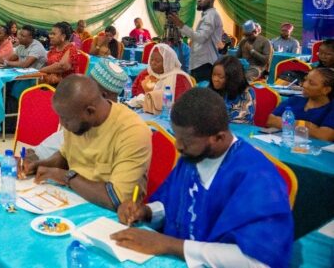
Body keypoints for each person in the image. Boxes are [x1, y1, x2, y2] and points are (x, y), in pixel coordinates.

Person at [112, 88, 293, 268]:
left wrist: (170, 245)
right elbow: (174, 206)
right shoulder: (193, 157)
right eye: (177, 137)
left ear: (219, 138)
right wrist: (146, 212)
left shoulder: (257, 177)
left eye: (187, 141)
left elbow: (259, 260)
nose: (178, 146)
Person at [23, 76, 151, 210]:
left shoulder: (132, 132)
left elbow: (116, 199)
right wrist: (37, 166)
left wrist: (66, 177)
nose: (61, 123)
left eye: (66, 119)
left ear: (90, 111)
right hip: (74, 198)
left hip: (108, 214)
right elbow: (66, 156)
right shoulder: (77, 118)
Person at [168, 0, 223, 83]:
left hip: (204, 63)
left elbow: (201, 37)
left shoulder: (211, 15)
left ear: (210, 0)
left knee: (201, 93)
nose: (199, 0)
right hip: (200, 62)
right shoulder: (207, 15)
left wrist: (181, 25)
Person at [267, 67, 334, 141]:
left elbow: (324, 136)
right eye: (305, 80)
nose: (304, 85)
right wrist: (306, 125)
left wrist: (285, 122)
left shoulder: (330, 109)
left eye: (311, 83)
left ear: (326, 90)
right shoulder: (295, 100)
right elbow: (270, 121)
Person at [210, 56, 255, 124]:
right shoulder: (210, 90)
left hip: (239, 131)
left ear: (231, 77)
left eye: (220, 76)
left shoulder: (246, 93)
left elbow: (243, 118)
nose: (215, 79)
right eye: (213, 75)